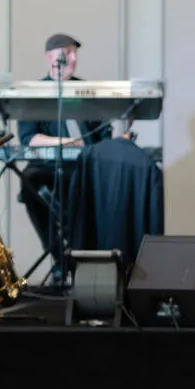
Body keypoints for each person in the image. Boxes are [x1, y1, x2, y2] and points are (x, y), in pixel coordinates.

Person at [16, 33, 113, 253]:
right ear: (50, 57)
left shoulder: (85, 90)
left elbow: (104, 133)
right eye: (67, 53)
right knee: (29, 182)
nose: (73, 58)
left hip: (85, 164)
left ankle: (90, 256)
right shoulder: (35, 93)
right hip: (49, 166)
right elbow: (28, 139)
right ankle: (60, 259)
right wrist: (67, 142)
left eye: (74, 53)